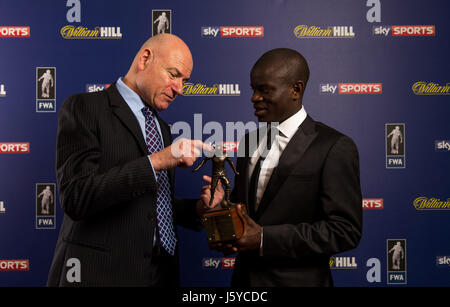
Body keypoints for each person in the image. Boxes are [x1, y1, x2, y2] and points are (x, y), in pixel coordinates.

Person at [47, 34, 223, 286]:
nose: (179, 89)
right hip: (100, 274)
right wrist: (157, 161)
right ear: (145, 59)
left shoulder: (161, 128)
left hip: (159, 274)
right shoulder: (85, 107)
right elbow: (76, 196)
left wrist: (199, 209)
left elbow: (151, 205)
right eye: (173, 74)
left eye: (184, 80)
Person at [214, 48, 363, 287]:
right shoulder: (249, 141)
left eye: (265, 90)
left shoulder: (334, 146)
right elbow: (247, 213)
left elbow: (345, 231)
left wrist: (264, 239)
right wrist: (222, 211)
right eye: (253, 89)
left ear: (296, 90)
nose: (254, 98)